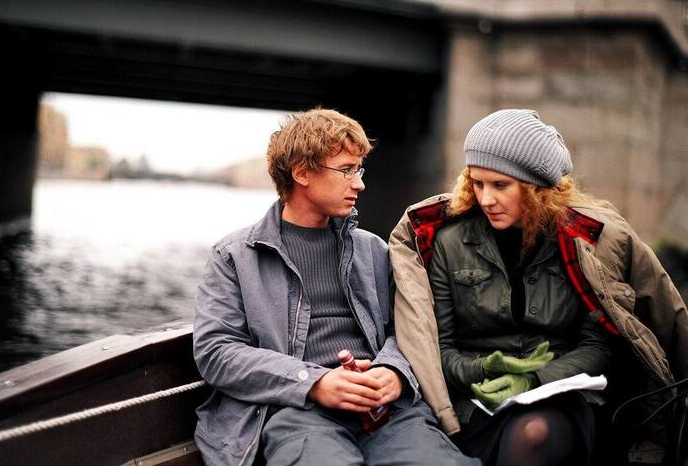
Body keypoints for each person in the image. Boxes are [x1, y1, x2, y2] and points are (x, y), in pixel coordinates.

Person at [389, 109, 688, 465]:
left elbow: (598, 345)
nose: (486, 199)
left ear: (537, 188)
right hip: (471, 402)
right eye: (478, 184)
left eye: (500, 185)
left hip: (563, 396)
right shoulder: (448, 242)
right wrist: (484, 369)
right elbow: (439, 349)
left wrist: (533, 380)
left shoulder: (583, 244)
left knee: (534, 432)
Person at [193, 108, 478, 466]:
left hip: (386, 412)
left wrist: (394, 372)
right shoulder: (235, 256)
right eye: (346, 170)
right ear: (301, 173)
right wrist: (314, 383)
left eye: (359, 170)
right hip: (296, 414)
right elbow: (215, 351)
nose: (359, 184)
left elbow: (405, 329)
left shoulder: (373, 250)